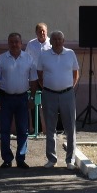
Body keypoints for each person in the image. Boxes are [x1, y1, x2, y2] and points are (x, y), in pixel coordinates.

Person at [35, 29, 80, 169]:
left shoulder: (70, 53)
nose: (57, 41)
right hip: (49, 94)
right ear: (51, 41)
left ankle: (70, 160)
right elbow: (39, 75)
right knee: (50, 127)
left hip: (67, 94)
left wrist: (68, 88)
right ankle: (51, 159)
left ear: (63, 41)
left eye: (59, 39)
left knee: (70, 127)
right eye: (54, 39)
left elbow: (75, 74)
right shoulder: (44, 55)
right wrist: (49, 87)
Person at [0, 32, 35, 168]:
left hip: (23, 98)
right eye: (11, 42)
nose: (14, 44)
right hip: (6, 98)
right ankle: (7, 159)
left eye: (16, 42)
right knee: (4, 130)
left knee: (23, 130)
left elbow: (33, 80)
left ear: (21, 43)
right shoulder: (1, 59)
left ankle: (21, 159)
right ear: (8, 43)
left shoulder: (28, 59)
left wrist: (32, 97)